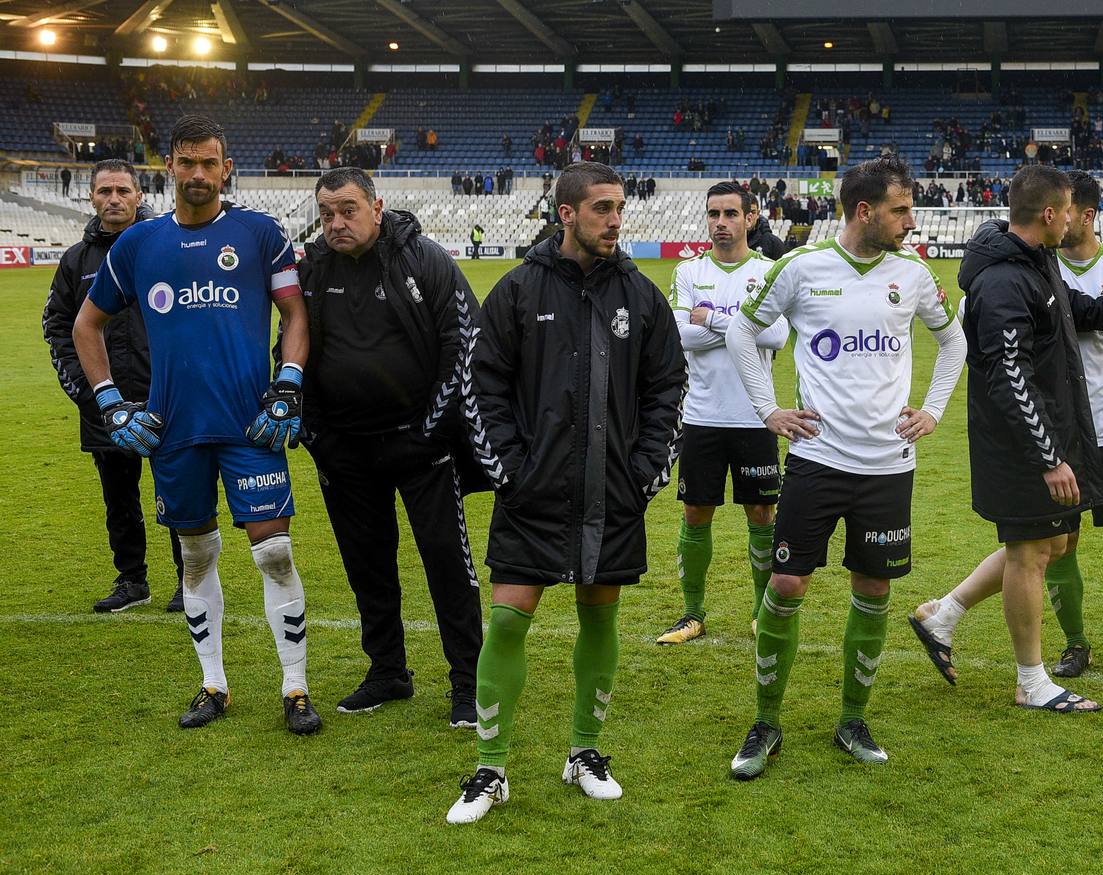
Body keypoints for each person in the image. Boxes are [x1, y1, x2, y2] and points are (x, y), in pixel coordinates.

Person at [446, 162, 686, 823]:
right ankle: (490, 769)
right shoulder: (519, 291)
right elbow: (481, 383)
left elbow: (669, 386)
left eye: (618, 208)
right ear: (566, 215)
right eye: (601, 208)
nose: (614, 219)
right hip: (532, 492)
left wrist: (643, 471)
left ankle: (584, 752)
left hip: (610, 494)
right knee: (507, 618)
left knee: (599, 616)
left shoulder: (641, 296)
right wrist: (510, 469)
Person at [910, 169, 1103, 701]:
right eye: (1067, 209)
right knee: (1032, 552)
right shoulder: (1002, 280)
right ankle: (1031, 681)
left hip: (1057, 436)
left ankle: (943, 614)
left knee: (1054, 542)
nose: (1073, 218)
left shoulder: (1032, 262)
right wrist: (1048, 456)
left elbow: (1064, 304)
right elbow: (1008, 375)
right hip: (1022, 444)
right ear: (1049, 214)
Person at [72, 114, 320, 734]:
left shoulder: (262, 235)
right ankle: (213, 685)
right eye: (187, 163)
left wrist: (287, 385)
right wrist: (110, 403)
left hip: (249, 424)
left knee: (275, 551)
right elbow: (86, 325)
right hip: (174, 428)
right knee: (196, 556)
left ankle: (295, 689)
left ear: (226, 167)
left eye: (210, 163)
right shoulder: (137, 246)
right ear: (169, 168)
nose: (199, 174)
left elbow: (294, 315)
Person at [723, 156, 966, 779]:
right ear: (865, 211)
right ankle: (766, 722)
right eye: (901, 210)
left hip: (889, 466)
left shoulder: (913, 275)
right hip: (817, 459)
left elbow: (955, 341)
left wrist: (933, 411)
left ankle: (853, 719)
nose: (911, 221)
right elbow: (740, 334)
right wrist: (769, 410)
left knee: (875, 589)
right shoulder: (801, 268)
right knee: (785, 587)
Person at [296, 167, 487, 725]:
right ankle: (387, 672)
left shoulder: (425, 260)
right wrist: (316, 436)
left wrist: (430, 429)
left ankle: (469, 683)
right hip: (344, 450)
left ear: (377, 208)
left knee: (447, 564)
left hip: (422, 447)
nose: (336, 223)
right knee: (367, 565)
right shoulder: (310, 271)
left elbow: (464, 345)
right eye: (326, 213)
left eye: (348, 210)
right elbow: (291, 348)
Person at [42, 159, 184, 613]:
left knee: (182, 496)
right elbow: (57, 325)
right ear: (91, 197)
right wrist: (87, 392)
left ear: (140, 195)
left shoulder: (168, 246)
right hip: (106, 405)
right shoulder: (75, 261)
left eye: (123, 190)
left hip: (166, 400)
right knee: (119, 500)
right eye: (105, 191)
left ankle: (191, 581)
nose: (114, 199)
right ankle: (132, 581)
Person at [657, 183, 790, 645]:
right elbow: (679, 337)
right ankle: (691, 614)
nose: (720, 222)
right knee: (696, 512)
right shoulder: (689, 271)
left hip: (756, 416)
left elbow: (777, 336)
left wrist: (711, 319)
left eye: (731, 213)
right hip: (702, 415)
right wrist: (743, 330)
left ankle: (760, 613)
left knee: (761, 512)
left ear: (750, 218)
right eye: (713, 214)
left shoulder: (770, 270)